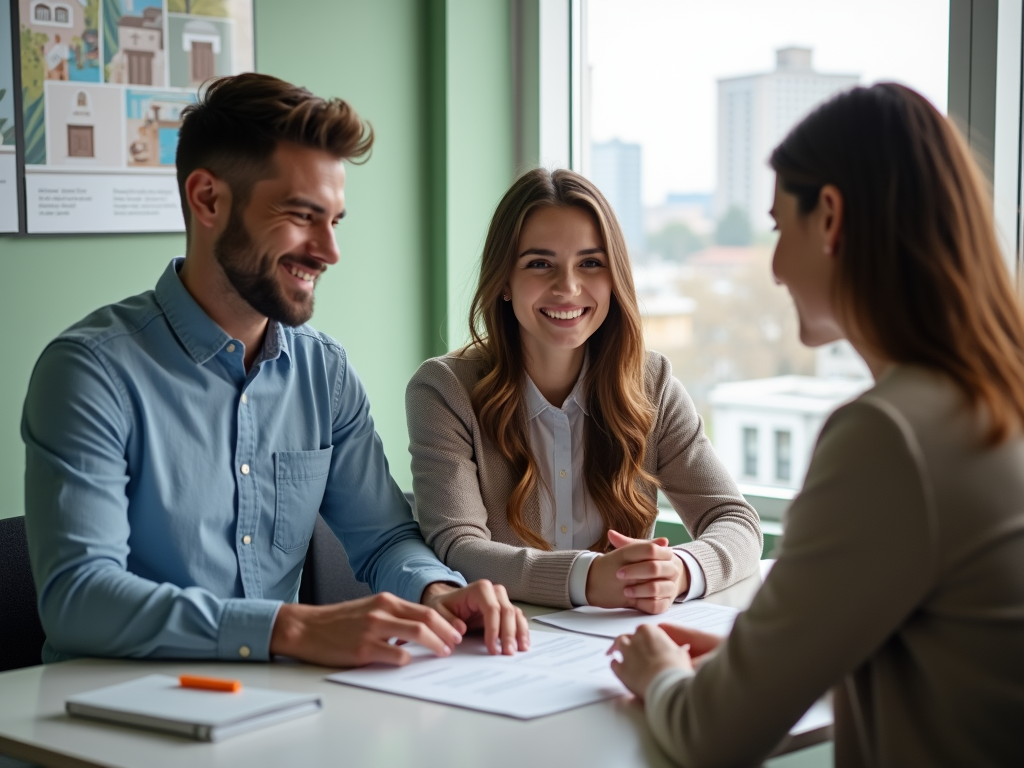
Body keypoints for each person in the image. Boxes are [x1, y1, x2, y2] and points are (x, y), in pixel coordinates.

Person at [22, 73, 528, 668]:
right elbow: (79, 599)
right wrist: (287, 628)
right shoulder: (90, 372)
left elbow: (384, 537)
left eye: (334, 221)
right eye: (300, 215)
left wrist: (437, 592)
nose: (329, 250)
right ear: (208, 199)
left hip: (277, 710)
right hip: (107, 723)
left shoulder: (325, 373)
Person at [609, 83, 1024, 767]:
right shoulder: (991, 400)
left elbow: (711, 737)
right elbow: (955, 653)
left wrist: (657, 672)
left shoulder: (889, 436)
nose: (773, 269)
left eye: (778, 227)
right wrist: (772, 660)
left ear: (829, 217)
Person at [406, 168, 762, 612]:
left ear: (614, 278)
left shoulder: (652, 384)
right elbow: (456, 547)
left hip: (618, 647)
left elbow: (736, 520)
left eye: (590, 263)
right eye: (540, 264)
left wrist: (682, 569)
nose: (568, 287)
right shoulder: (445, 390)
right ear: (502, 282)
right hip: (503, 646)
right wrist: (588, 579)